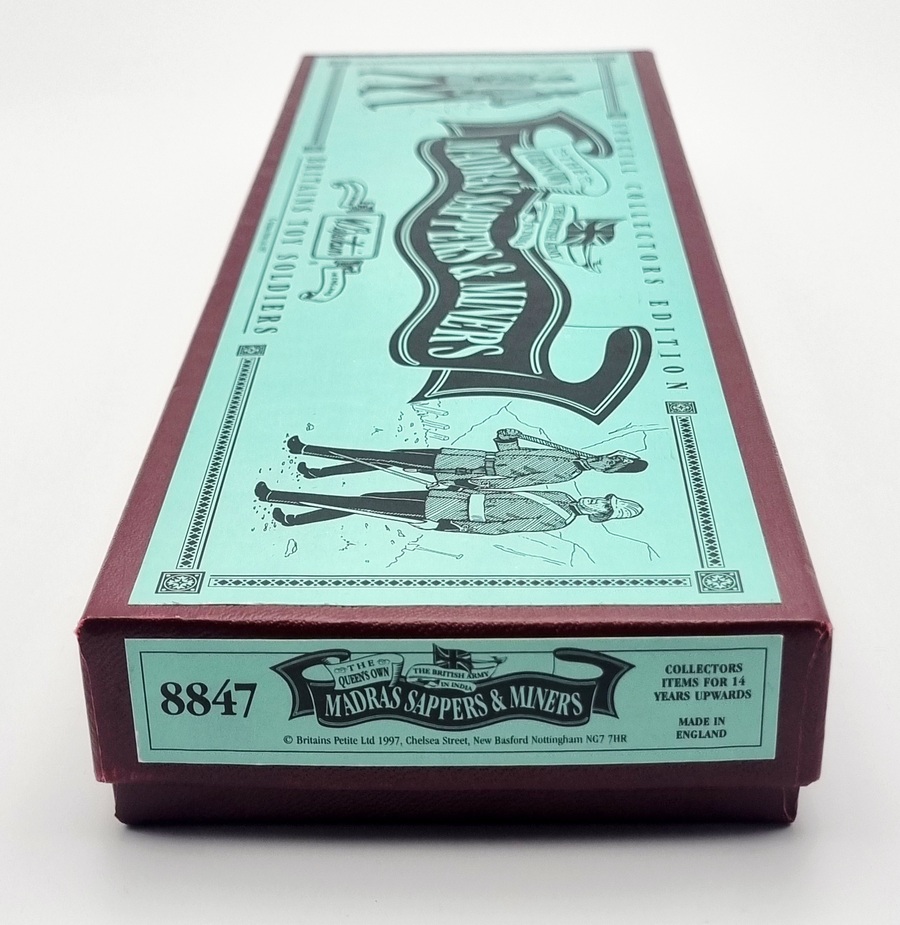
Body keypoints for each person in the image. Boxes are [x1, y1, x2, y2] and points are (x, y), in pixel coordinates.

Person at [285, 430, 646, 490]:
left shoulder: (566, 471)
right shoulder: (569, 454)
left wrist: (469, 483)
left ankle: (309, 451)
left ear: (609, 472)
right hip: (467, 455)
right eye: (613, 456)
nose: (607, 459)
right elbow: (513, 457)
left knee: (385, 459)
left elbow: (513, 481)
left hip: (465, 469)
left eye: (613, 464)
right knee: (391, 458)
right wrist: (507, 439)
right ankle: (318, 472)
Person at [254, 480, 643, 536]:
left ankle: (278, 497)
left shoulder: (557, 519)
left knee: (361, 505)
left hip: (447, 514)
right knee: (369, 500)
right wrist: (459, 485)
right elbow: (504, 489)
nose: (595, 502)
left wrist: (445, 527)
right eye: (601, 498)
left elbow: (501, 527)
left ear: (597, 517)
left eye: (601, 507)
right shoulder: (560, 496)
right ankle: (296, 518)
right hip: (451, 495)